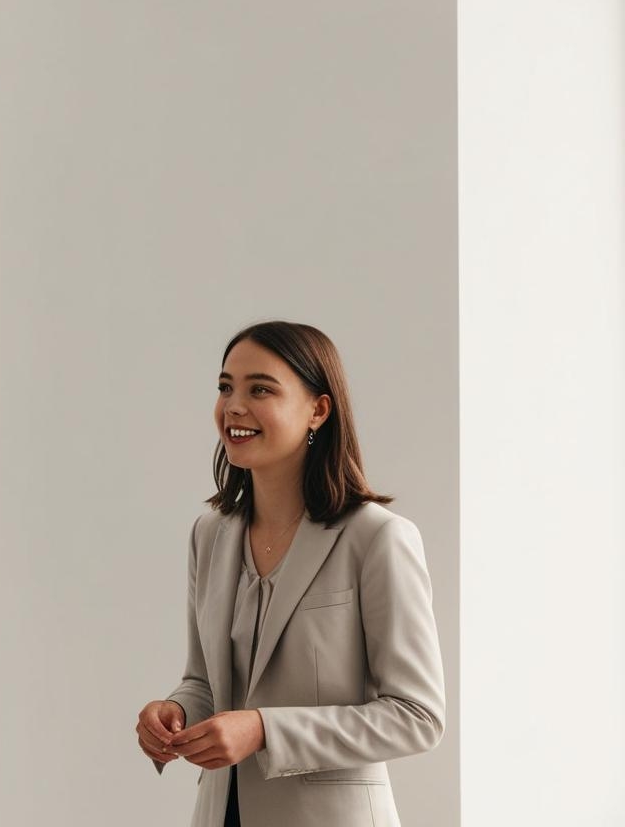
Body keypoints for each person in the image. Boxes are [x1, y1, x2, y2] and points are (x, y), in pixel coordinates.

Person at [136, 321, 444, 827]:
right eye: (225, 387)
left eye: (260, 388)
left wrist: (263, 730)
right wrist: (175, 713)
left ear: (318, 411)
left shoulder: (377, 538)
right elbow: (205, 683)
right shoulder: (210, 536)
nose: (233, 405)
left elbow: (417, 716)